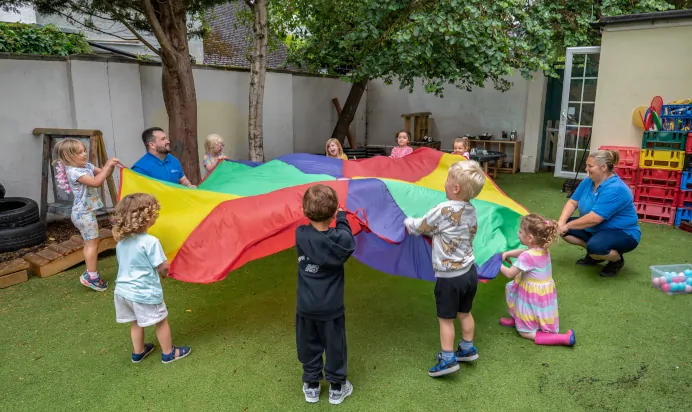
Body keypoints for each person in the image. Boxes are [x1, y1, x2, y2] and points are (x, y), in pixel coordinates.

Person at [404, 160, 485, 377]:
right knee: (465, 313)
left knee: (446, 319)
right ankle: (467, 348)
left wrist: (406, 222)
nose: (445, 182)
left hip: (450, 278)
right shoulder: (472, 210)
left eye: (448, 179)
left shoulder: (443, 209)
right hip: (469, 273)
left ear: (456, 187)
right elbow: (453, 232)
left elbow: (420, 227)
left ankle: (448, 359)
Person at [111, 193, 191, 364]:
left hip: (122, 292)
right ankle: (169, 353)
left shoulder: (121, 243)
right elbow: (163, 266)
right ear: (147, 218)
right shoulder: (150, 242)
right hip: (144, 292)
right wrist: (165, 273)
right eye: (154, 213)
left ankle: (138, 352)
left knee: (136, 322)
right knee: (161, 321)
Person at [295, 184, 356, 404]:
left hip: (306, 306)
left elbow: (314, 230)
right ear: (332, 213)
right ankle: (337, 388)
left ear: (305, 212)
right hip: (331, 308)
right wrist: (341, 216)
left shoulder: (300, 234)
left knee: (308, 343)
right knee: (335, 345)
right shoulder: (342, 240)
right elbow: (346, 235)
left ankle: (311, 385)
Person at [557, 150, 640, 277]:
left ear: (603, 167)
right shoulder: (589, 181)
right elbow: (573, 202)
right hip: (597, 229)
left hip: (623, 232)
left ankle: (616, 260)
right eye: (587, 165)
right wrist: (561, 224)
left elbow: (594, 219)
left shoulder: (616, 188)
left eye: (590, 166)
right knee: (565, 229)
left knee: (593, 245)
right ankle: (595, 255)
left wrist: (567, 226)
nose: (586, 169)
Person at [498, 213, 576, 346]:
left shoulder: (527, 256)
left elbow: (510, 273)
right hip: (542, 292)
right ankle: (518, 318)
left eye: (520, 231)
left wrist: (497, 264)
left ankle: (563, 338)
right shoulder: (543, 248)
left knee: (525, 332)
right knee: (515, 292)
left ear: (530, 238)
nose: (518, 233)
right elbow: (525, 252)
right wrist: (509, 253)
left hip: (531, 292)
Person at [53, 138, 119, 291]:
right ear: (68, 157)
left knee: (90, 243)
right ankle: (91, 276)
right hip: (83, 214)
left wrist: (111, 167)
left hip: (86, 213)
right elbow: (96, 182)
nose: (84, 154)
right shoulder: (74, 171)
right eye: (79, 152)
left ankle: (91, 272)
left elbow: (105, 175)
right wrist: (107, 165)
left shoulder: (86, 166)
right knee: (92, 244)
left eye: (84, 150)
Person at [132, 127, 196, 187]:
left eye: (166, 138)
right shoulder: (140, 169)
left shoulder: (173, 160)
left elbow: (182, 179)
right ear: (152, 145)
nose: (168, 141)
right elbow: (139, 195)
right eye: (163, 139)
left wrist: (189, 186)